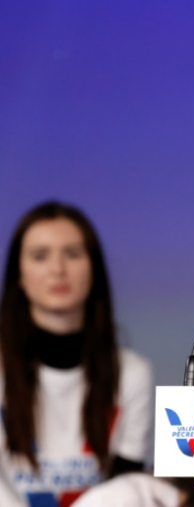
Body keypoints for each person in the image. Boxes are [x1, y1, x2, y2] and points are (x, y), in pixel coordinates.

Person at [0, 202, 153, 507]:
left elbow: (127, 491)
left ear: (94, 268)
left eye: (72, 254)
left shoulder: (132, 374)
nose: (58, 269)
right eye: (40, 256)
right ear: (19, 274)